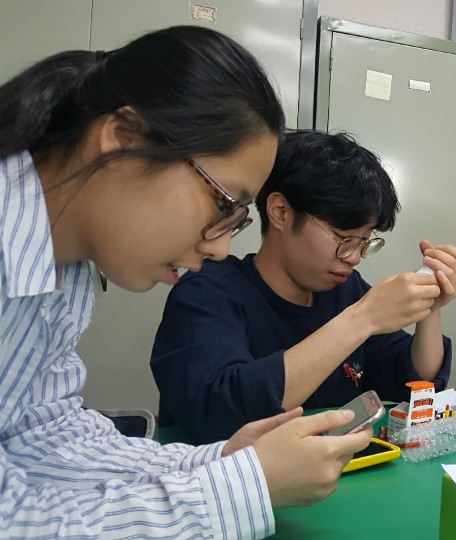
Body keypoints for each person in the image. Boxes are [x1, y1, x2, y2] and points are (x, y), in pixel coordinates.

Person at [0, 27, 371, 538]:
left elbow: (44, 434)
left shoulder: (65, 274)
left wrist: (222, 461)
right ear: (123, 138)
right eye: (223, 203)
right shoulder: (213, 291)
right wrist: (241, 488)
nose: (218, 247)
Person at [150, 130, 456, 443]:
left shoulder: (346, 291)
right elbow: (220, 414)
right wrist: (361, 319)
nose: (354, 257)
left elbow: (412, 385)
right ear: (281, 212)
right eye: (343, 238)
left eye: (364, 241)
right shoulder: (206, 293)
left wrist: (430, 307)